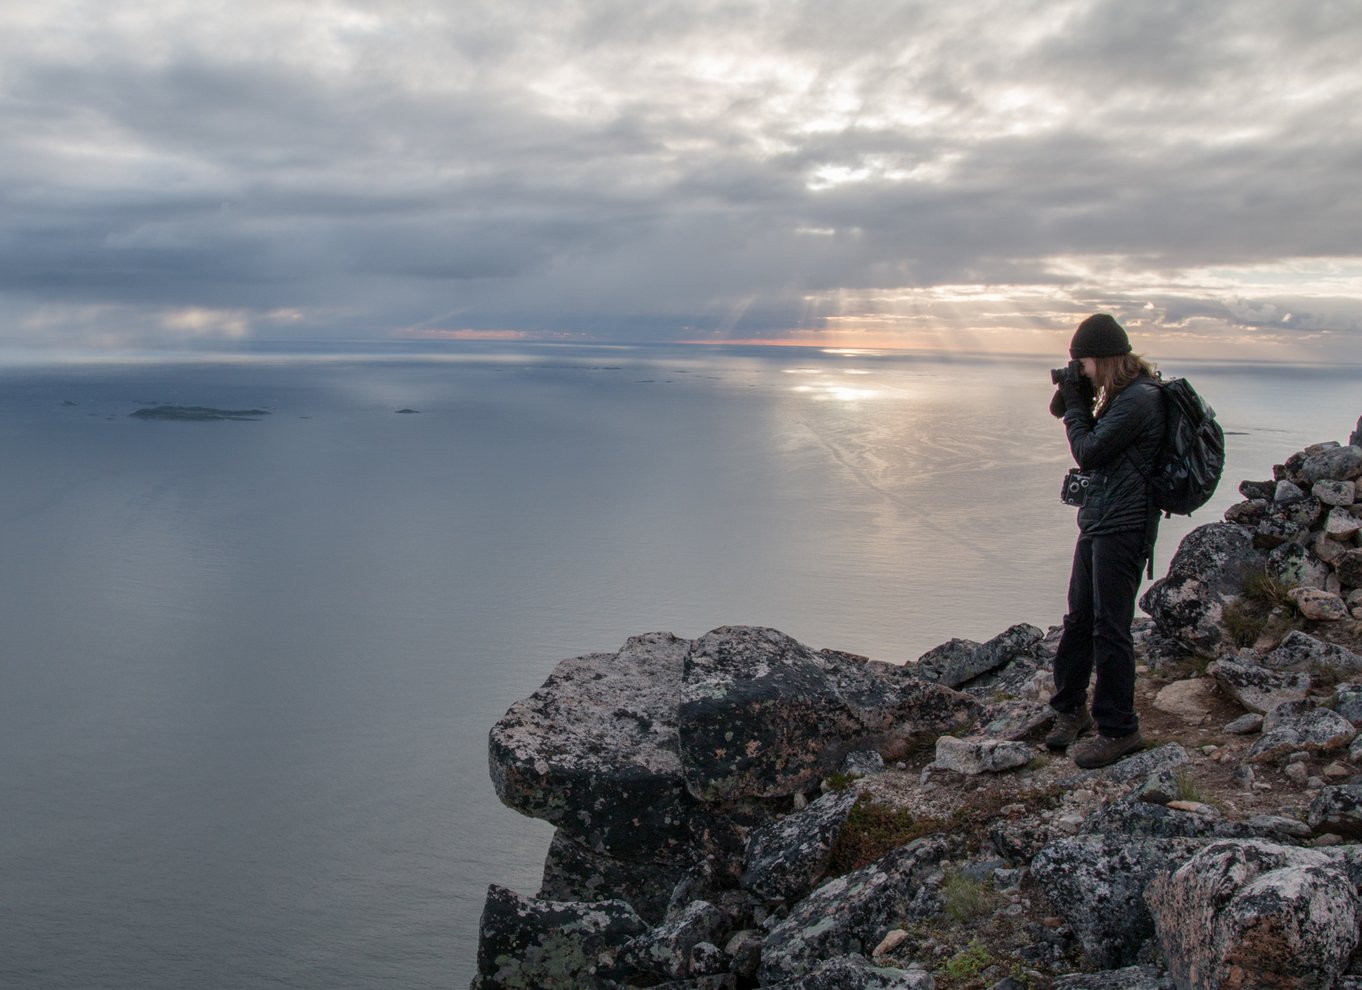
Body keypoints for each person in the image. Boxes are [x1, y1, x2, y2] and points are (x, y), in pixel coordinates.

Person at [1046, 313, 1165, 769]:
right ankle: (1070, 709)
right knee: (1079, 619)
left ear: (1102, 359)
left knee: (1110, 628)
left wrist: (1077, 403)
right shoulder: (1119, 396)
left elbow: (1089, 451)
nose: (1080, 371)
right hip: (1099, 520)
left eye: (1082, 364)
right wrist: (1073, 394)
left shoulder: (1140, 399)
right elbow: (1071, 421)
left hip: (1125, 527)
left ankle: (1119, 730)